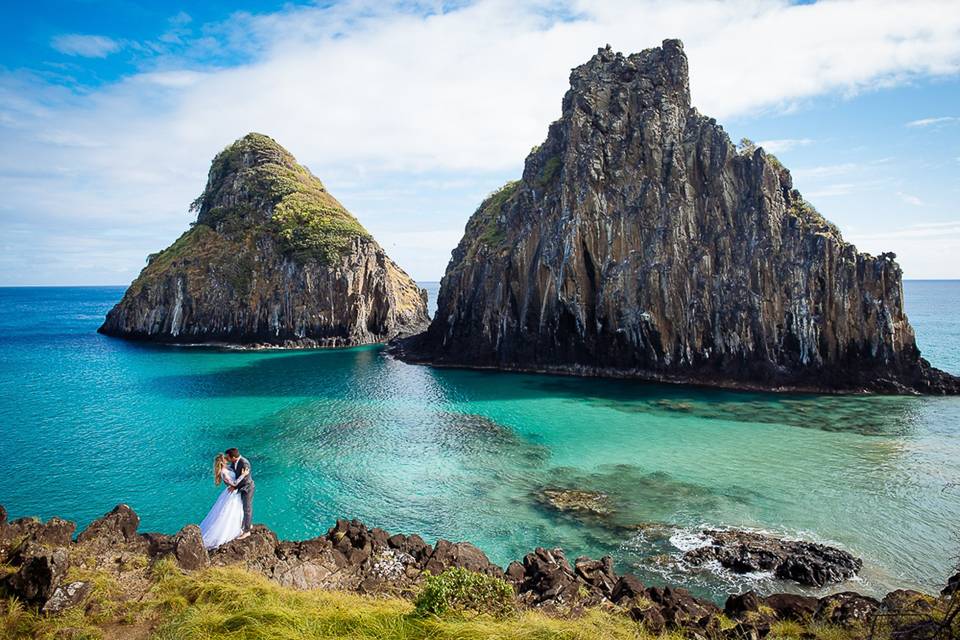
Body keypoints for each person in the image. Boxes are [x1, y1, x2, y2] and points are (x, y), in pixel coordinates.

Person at [198, 453, 248, 549]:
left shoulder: (228, 468)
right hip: (232, 494)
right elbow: (233, 483)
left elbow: (235, 468)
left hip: (234, 493)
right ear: (222, 461)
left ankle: (238, 528)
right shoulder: (224, 472)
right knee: (227, 514)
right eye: (225, 459)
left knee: (235, 512)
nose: (227, 459)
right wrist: (244, 475)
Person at [224, 447, 254, 539]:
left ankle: (247, 531)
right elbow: (233, 470)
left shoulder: (244, 463)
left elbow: (244, 479)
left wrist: (234, 486)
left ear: (233, 457)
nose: (226, 459)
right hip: (240, 488)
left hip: (247, 488)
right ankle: (247, 524)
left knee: (247, 508)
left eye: (227, 457)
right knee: (241, 508)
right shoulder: (234, 462)